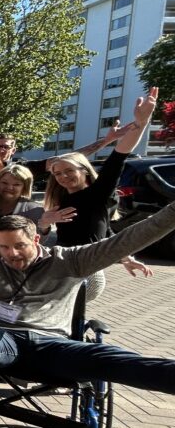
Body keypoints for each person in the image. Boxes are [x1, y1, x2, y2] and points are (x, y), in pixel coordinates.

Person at [0, 207, 175, 428]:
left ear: (36, 239)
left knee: (111, 359)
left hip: (52, 343)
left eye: (19, 246)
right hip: (1, 336)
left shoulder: (70, 259)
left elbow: (127, 240)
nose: (12, 254)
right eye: (4, 247)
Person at [43, 88, 157, 292]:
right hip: (61, 266)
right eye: (58, 173)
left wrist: (141, 122)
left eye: (69, 171)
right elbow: (104, 231)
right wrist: (44, 222)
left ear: (85, 170)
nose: (63, 177)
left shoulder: (98, 193)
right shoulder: (63, 198)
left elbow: (119, 156)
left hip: (86, 269)